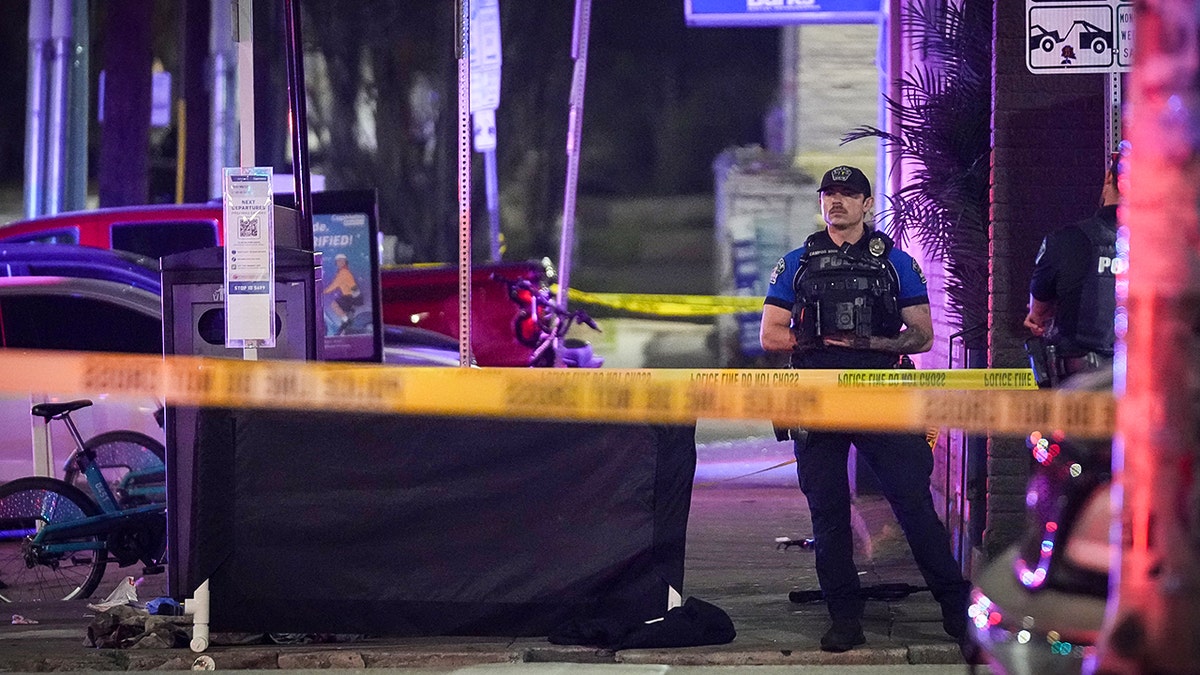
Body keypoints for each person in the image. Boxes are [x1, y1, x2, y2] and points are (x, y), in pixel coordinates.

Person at [760, 165, 971, 654]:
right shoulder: (796, 262)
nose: (837, 202)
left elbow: (921, 334)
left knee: (914, 507)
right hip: (818, 397)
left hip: (882, 394)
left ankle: (957, 612)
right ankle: (844, 618)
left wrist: (867, 342)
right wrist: (814, 339)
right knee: (828, 514)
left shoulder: (896, 263)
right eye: (829, 194)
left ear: (866, 204)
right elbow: (770, 334)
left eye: (848, 194)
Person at [1023, 152, 1119, 380]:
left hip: (1082, 394)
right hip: (1153, 394)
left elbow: (1039, 316)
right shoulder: (1173, 247)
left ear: (1108, 178)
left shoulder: (1067, 240)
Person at [324, 253, 364, 330]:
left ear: (345, 262)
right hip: (352, 296)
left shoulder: (343, 273)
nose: (339, 263)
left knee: (334, 305)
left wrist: (324, 291)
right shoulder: (344, 272)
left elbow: (334, 285)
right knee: (344, 311)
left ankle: (347, 321)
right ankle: (346, 324)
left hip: (351, 296)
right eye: (338, 261)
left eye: (341, 261)